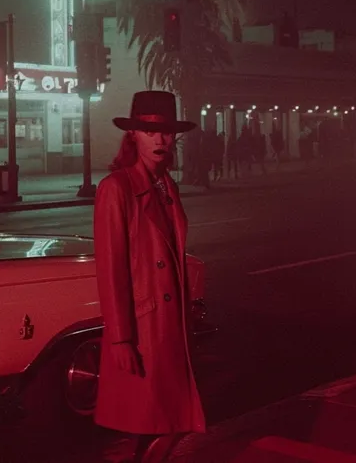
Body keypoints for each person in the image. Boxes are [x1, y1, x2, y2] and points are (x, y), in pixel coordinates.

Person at [93, 91, 206, 462]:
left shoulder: (167, 187)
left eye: (167, 133)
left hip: (169, 324)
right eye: (148, 131)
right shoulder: (116, 188)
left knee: (170, 420)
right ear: (133, 137)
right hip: (144, 329)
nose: (159, 140)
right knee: (143, 427)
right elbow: (112, 269)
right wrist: (121, 338)